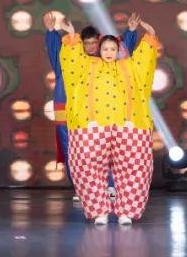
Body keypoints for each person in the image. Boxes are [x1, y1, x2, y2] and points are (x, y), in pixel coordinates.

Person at [58, 14, 160, 226]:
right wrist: (71, 35)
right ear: (99, 49)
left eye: (113, 49)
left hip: (128, 126)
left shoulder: (130, 66)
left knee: (134, 167)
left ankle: (126, 212)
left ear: (118, 50)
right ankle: (99, 211)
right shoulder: (88, 65)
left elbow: (145, 59)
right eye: (105, 49)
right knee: (86, 166)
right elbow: (72, 62)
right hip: (92, 126)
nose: (109, 52)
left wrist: (150, 34)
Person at [44, 12, 140, 204]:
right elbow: (55, 51)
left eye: (93, 43)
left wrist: (130, 32)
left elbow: (122, 54)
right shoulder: (68, 60)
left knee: (105, 152)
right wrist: (51, 32)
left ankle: (109, 188)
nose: (89, 47)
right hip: (69, 114)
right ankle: (83, 190)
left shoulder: (103, 63)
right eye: (85, 43)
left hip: (96, 115)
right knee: (73, 154)